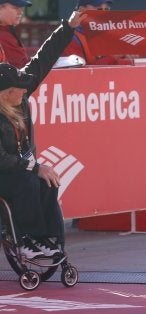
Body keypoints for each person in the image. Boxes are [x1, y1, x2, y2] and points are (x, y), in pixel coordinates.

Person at [0, 10, 85, 259]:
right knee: (29, 179)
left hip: (19, 170)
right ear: (5, 94)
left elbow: (43, 59)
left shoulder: (20, 96)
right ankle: (28, 240)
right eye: (20, 88)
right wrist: (33, 167)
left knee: (47, 181)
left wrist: (68, 28)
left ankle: (50, 239)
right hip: (5, 173)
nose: (26, 90)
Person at [61, 0, 133, 65]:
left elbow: (126, 64)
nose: (103, 12)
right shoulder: (70, 38)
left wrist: (125, 57)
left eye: (107, 9)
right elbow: (80, 74)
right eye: (99, 8)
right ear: (81, 9)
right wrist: (114, 56)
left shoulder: (111, 35)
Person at [0, 0, 31, 68]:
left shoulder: (7, 29)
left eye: (21, 8)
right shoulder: (3, 36)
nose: (20, 12)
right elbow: (21, 68)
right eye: (15, 8)